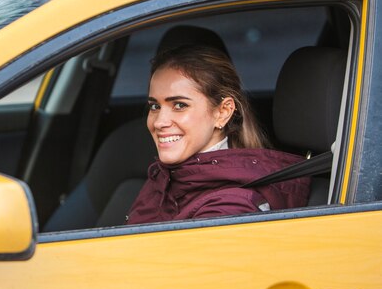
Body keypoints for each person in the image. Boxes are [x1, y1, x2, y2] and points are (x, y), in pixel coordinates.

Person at [126, 45, 310, 225]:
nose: (159, 122)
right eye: (155, 106)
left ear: (223, 112)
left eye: (179, 105)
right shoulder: (166, 178)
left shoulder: (229, 209)